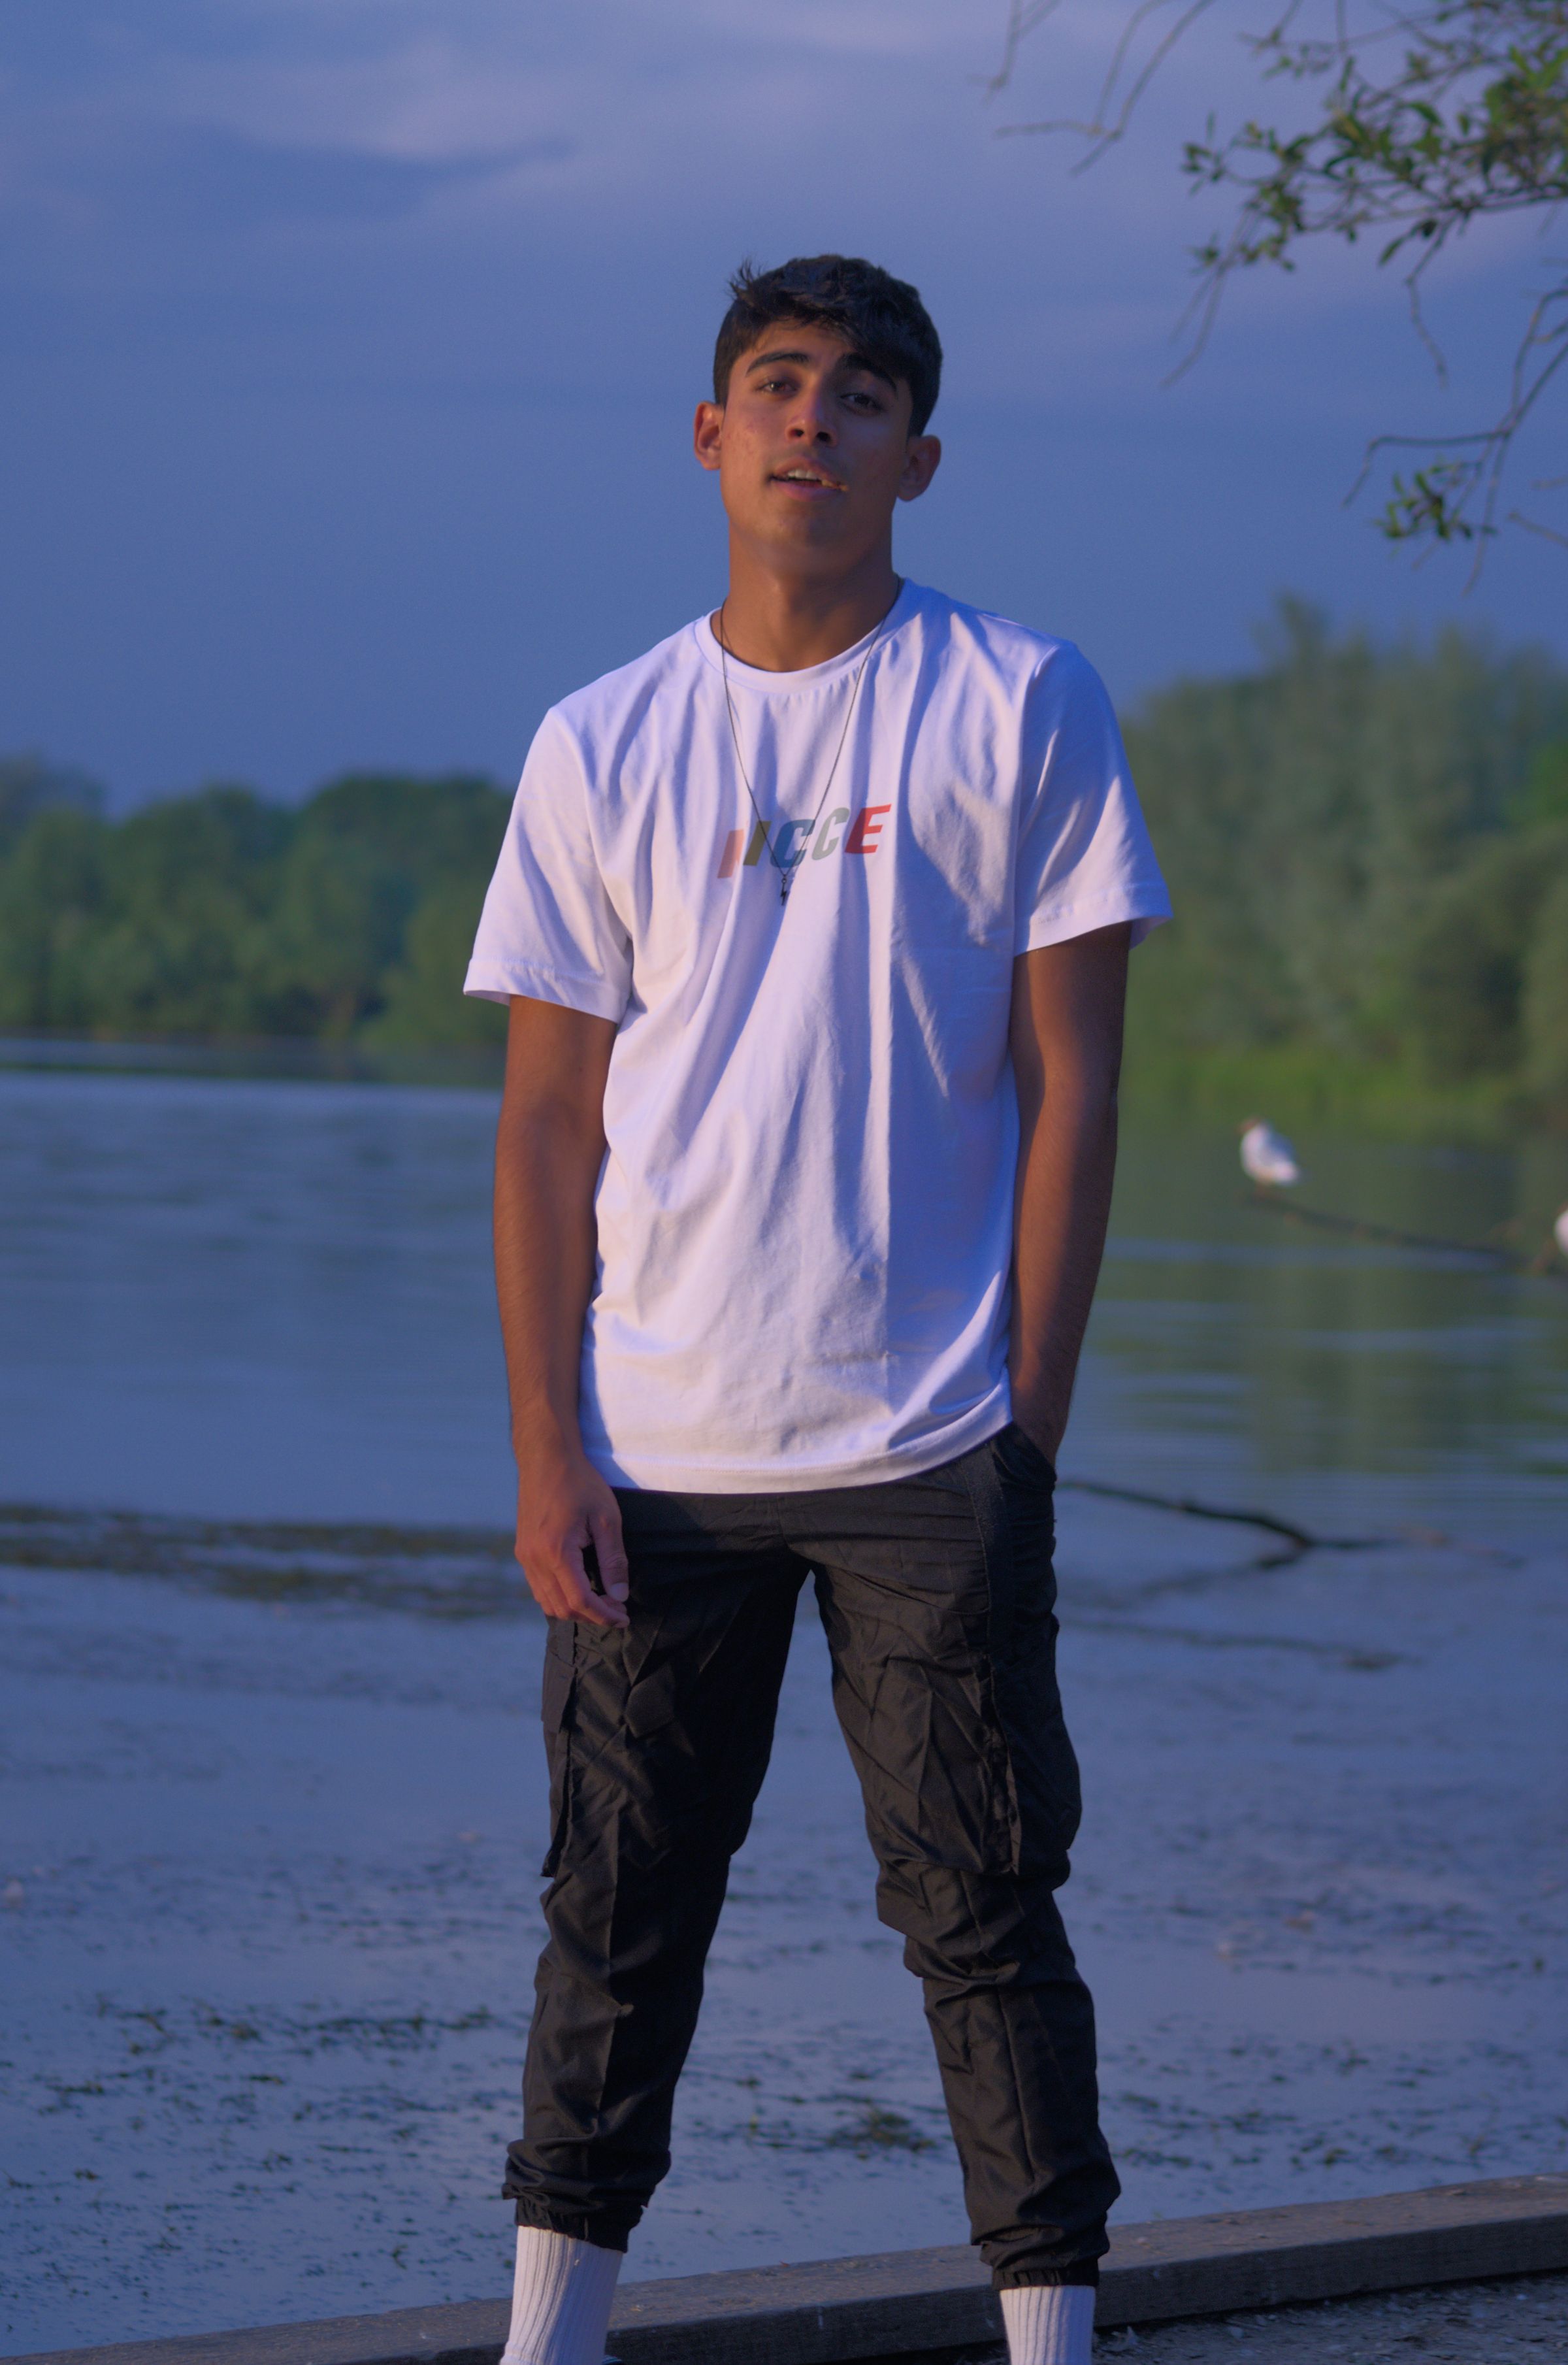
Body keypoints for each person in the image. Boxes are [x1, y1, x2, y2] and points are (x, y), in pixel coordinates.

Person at [465, 253, 1170, 2365]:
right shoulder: (604, 739)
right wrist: (544, 1446)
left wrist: (1022, 1429)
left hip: (929, 1440)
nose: (812, 423)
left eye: (861, 398)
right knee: (614, 1920)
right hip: (656, 1451)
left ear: (917, 459)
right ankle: (549, 2342)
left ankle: (1051, 2348)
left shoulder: (1019, 699)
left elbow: (1081, 1086)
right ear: (710, 436)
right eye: (775, 386)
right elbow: (542, 1131)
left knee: (983, 1913)